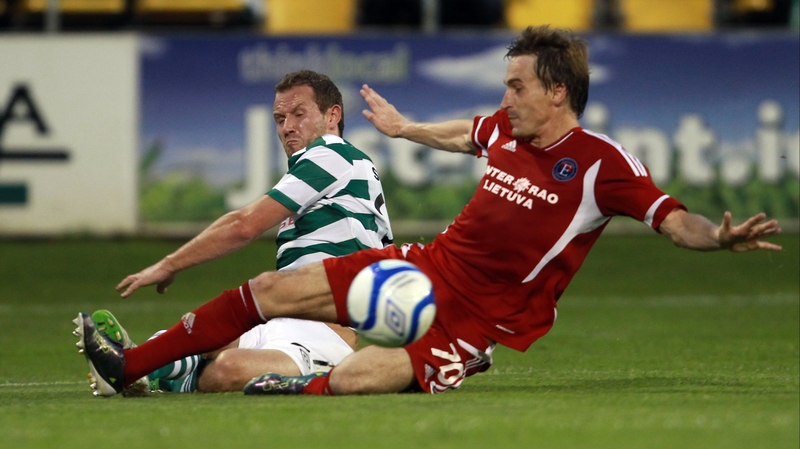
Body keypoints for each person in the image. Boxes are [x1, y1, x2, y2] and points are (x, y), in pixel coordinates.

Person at [74, 26, 782, 397]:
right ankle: (131, 364)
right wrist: (406, 128)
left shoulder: (603, 163)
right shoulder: (507, 130)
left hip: (479, 318)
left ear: (558, 92)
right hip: (421, 268)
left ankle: (303, 386)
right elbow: (465, 132)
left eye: (517, 86)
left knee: (356, 380)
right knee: (270, 288)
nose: (505, 98)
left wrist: (716, 238)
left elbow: (675, 221)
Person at [80, 69, 393, 395]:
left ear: (333, 116)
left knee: (228, 368)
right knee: (203, 338)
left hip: (324, 335)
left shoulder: (332, 154)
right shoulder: (337, 171)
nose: (287, 127)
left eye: (299, 114)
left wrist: (170, 264)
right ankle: (135, 364)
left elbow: (244, 225)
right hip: (280, 316)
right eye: (279, 118)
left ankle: (150, 372)